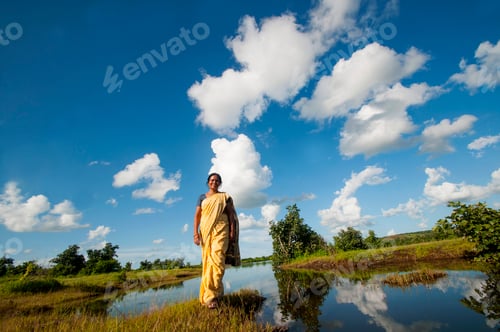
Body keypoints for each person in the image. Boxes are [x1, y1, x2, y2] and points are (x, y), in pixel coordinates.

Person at [193, 172, 240, 309]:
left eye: (217, 180)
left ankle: (211, 295)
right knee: (208, 263)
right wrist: (195, 234)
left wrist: (232, 232)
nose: (214, 182)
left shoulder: (224, 197)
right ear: (208, 182)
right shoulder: (202, 197)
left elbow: (231, 216)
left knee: (218, 261)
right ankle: (213, 296)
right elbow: (197, 216)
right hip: (206, 232)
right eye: (212, 180)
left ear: (220, 183)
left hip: (221, 230)